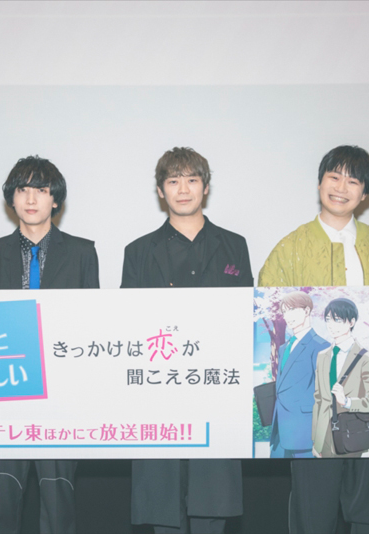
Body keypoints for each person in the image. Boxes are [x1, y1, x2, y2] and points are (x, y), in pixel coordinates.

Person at [259, 145, 369, 534]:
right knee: (314, 508)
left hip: (366, 394)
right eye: (334, 177)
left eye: (353, 181)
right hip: (313, 402)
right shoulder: (290, 247)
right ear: (319, 183)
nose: (341, 187)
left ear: (365, 194)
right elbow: (272, 316)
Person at [122, 147, 251, 533]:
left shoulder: (234, 245)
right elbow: (127, 325)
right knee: (163, 507)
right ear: (160, 190)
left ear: (205, 187)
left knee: (212, 505)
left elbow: (246, 316)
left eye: (192, 180)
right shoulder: (138, 251)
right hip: (158, 392)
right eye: (173, 180)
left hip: (216, 390)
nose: (183, 189)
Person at [0, 155, 99, 534]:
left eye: (41, 190)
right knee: (1, 505)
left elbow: (92, 327)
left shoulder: (82, 252)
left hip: (62, 397)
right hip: (5, 394)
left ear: (55, 199)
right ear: (11, 198)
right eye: (23, 190)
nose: (31, 199)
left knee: (59, 506)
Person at [312, 298, 369, 458]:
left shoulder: (365, 359)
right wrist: (315, 441)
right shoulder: (322, 356)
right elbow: (318, 399)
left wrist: (347, 402)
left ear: (351, 322)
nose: (331, 325)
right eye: (328, 320)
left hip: (350, 435)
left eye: (338, 320)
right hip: (323, 438)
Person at [271, 291, 331, 458]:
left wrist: (321, 438)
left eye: (292, 310)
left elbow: (325, 395)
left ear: (306, 311)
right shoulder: (284, 348)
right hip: (280, 430)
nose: (287, 316)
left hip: (305, 433)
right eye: (284, 311)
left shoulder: (320, 346)